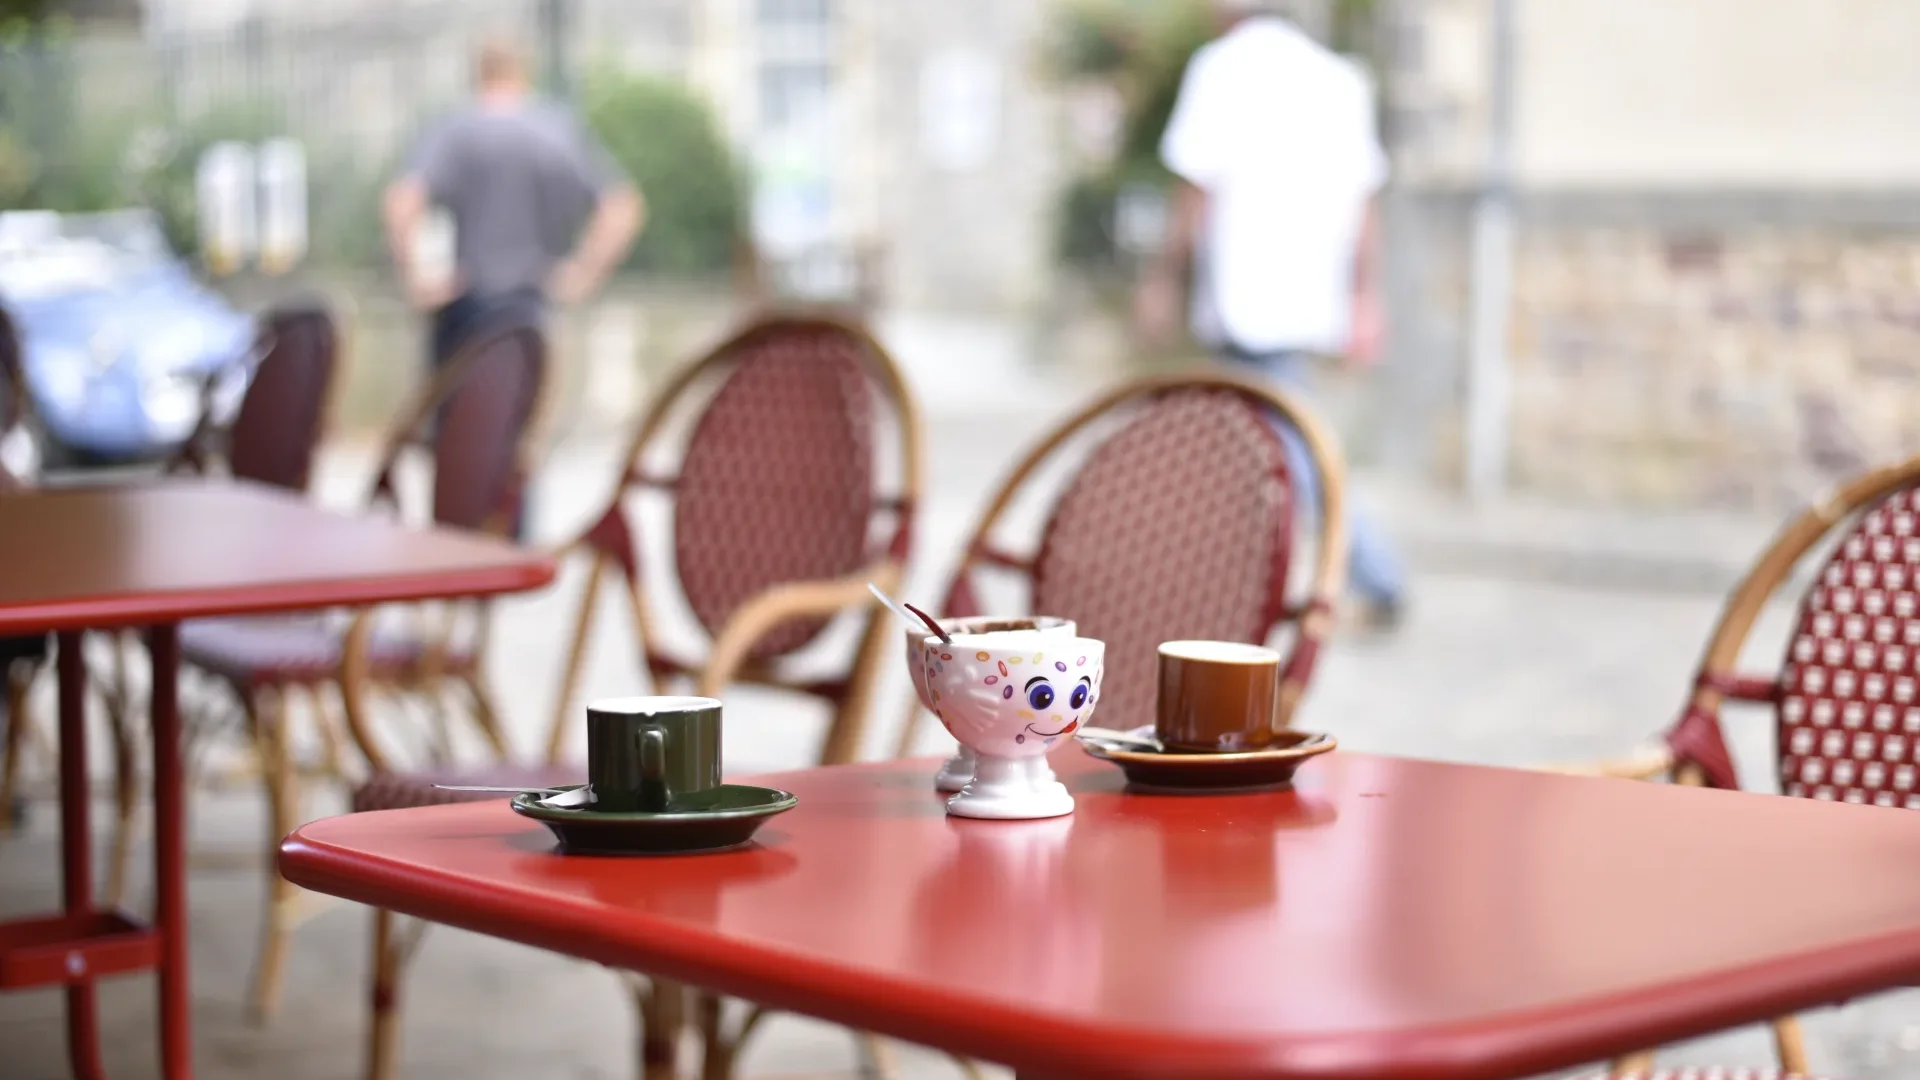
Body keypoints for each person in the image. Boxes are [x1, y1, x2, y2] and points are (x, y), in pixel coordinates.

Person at [1136, 0, 1407, 629]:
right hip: (1309, 294)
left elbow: (1194, 189)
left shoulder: (1219, 69)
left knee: (1294, 445)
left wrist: (1163, 279)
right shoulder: (1339, 77)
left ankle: (1375, 573)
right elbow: (1366, 204)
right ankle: (1248, 581)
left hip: (1248, 297)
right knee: (1277, 444)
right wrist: (1365, 296)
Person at [382, 38, 644, 535]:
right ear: (523, 71)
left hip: (467, 308)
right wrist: (580, 273)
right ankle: (509, 549)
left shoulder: (456, 129)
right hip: (530, 313)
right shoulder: (556, 131)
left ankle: (453, 549)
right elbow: (621, 205)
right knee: (517, 444)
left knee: (456, 445)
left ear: (478, 73)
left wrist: (417, 277)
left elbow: (401, 203)